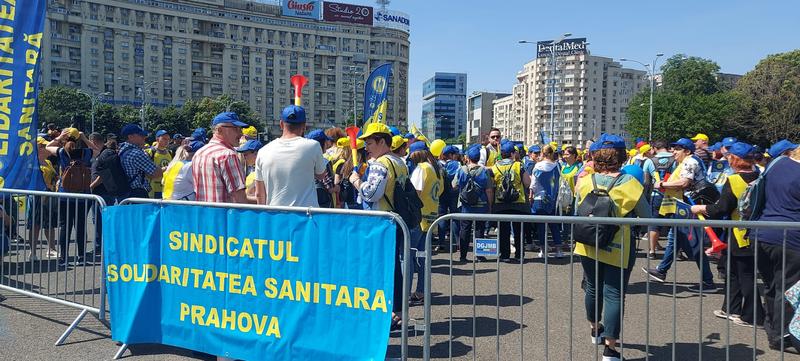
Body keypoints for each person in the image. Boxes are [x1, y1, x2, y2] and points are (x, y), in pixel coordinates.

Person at [573, 134, 651, 361]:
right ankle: (610, 348)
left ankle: (594, 327)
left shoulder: (586, 181)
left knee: (592, 288)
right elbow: (646, 216)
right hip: (619, 246)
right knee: (614, 294)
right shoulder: (631, 184)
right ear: (622, 157)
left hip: (587, 244)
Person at [691, 142, 765, 328]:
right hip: (753, 230)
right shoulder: (762, 176)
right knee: (733, 271)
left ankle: (753, 315)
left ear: (735, 160)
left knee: (745, 274)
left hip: (740, 233)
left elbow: (720, 208)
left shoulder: (734, 180)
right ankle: (731, 308)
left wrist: (700, 207)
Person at [349, 122, 407, 330]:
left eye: (370, 142)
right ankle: (397, 312)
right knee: (393, 268)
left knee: (379, 268)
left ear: (383, 141)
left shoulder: (379, 164)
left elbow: (372, 193)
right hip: (397, 220)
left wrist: (356, 181)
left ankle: (385, 314)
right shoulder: (399, 161)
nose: (367, 147)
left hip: (381, 223)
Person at [643, 138, 716, 292]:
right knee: (674, 238)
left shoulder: (689, 162)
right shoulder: (689, 160)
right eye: (673, 148)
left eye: (677, 149)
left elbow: (684, 182)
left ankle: (708, 281)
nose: (673, 152)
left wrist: (662, 184)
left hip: (691, 207)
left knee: (693, 244)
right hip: (688, 206)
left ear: (687, 151)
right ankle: (662, 270)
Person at [752, 146, 800, 352]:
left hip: (762, 232)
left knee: (771, 285)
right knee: (788, 289)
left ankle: (773, 330)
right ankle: (784, 334)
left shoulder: (776, 164)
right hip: (791, 238)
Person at [46, 128, 102, 266]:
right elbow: (98, 150)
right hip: (82, 195)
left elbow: (48, 147)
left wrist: (59, 138)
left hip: (65, 194)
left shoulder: (61, 152)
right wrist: (84, 138)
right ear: (78, 139)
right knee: (81, 226)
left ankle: (63, 258)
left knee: (65, 226)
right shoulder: (85, 153)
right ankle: (81, 257)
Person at [254, 105, 326, 207]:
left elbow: (259, 194)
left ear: (281, 124)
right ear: (304, 126)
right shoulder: (313, 146)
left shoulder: (263, 151)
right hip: (305, 216)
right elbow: (321, 175)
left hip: (276, 216)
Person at [408, 141, 444, 303]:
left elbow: (415, 192)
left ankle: (406, 293)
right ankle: (421, 291)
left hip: (417, 217)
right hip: (430, 217)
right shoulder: (437, 170)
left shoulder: (422, 169)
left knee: (408, 258)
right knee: (423, 259)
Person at [491, 141, 531, 262]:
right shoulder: (518, 165)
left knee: (503, 231)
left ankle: (505, 255)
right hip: (518, 202)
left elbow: (492, 185)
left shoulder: (495, 167)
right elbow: (527, 183)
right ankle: (519, 255)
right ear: (512, 154)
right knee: (519, 230)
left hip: (500, 202)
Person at [454, 144, 494, 262]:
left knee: (464, 230)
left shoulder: (461, 169)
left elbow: (454, 184)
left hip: (465, 206)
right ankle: (479, 255)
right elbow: (489, 190)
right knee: (479, 230)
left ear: (467, 157)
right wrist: (490, 205)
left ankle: (463, 256)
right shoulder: (484, 171)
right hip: (481, 205)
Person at [26, 137, 59, 260]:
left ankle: (51, 249)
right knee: (35, 224)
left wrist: (56, 180)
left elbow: (54, 176)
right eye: (44, 146)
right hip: (36, 196)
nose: (47, 148)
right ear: (38, 148)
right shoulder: (32, 162)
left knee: (49, 223)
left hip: (49, 195)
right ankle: (32, 252)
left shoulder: (48, 162)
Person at [529, 145, 563, 258]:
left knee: (541, 226)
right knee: (554, 225)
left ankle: (543, 251)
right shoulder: (557, 166)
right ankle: (559, 250)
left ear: (542, 154)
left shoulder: (537, 166)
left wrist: (530, 196)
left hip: (539, 199)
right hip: (553, 199)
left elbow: (533, 184)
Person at [119, 124, 164, 198]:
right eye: (140, 135)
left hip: (127, 193)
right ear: (130, 137)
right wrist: (166, 168)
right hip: (138, 193)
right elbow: (157, 173)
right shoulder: (136, 153)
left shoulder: (122, 149)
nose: (144, 137)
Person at [435, 145, 461, 253]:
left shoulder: (437, 164)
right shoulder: (457, 164)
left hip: (441, 193)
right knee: (455, 217)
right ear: (451, 155)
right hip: (454, 193)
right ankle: (457, 243)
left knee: (441, 218)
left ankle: (441, 243)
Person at [305, 129, 336, 208]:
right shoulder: (325, 162)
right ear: (322, 144)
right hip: (323, 205)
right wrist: (338, 188)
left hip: (307, 202)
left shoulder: (304, 161)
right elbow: (330, 188)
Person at [334, 139, 367, 210]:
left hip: (345, 200)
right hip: (357, 201)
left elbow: (336, 182)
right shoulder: (364, 166)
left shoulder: (343, 164)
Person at [146, 130, 174, 199]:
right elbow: (147, 172)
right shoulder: (150, 152)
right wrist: (163, 169)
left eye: (168, 139)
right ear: (157, 139)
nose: (167, 141)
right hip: (154, 189)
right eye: (164, 139)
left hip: (166, 188)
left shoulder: (170, 153)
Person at [236, 139, 263, 203]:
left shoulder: (262, 173)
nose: (244, 158)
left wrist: (241, 198)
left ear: (256, 154)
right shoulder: (253, 173)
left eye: (246, 154)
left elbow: (261, 198)